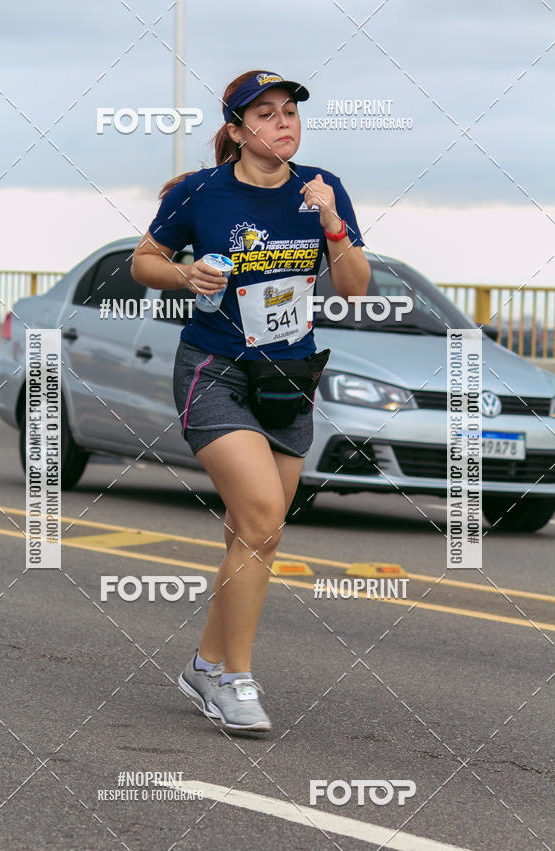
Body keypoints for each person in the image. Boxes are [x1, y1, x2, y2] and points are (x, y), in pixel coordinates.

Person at [131, 70, 370, 735]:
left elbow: (353, 288)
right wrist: (185, 272)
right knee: (262, 515)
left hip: (289, 373)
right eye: (264, 114)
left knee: (255, 533)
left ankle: (207, 663)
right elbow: (142, 261)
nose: (283, 122)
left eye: (289, 111)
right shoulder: (200, 193)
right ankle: (234, 680)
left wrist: (332, 223)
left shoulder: (322, 187)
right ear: (236, 131)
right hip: (216, 370)